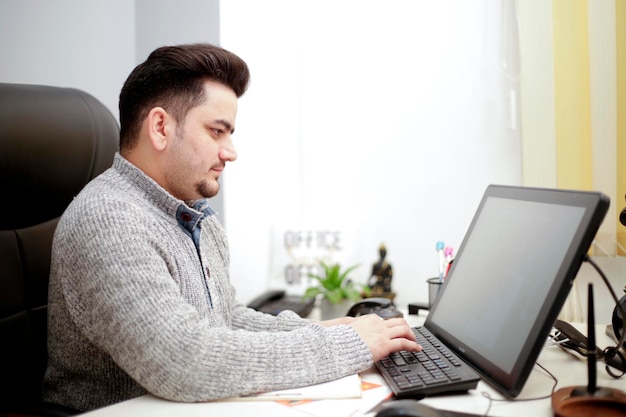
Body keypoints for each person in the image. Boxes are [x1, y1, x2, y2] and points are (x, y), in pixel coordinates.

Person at [42, 43, 421, 412]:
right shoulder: (109, 219)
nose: (231, 151)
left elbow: (226, 318)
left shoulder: (194, 214)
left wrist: (328, 332)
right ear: (160, 127)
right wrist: (348, 347)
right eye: (217, 131)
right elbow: (185, 362)